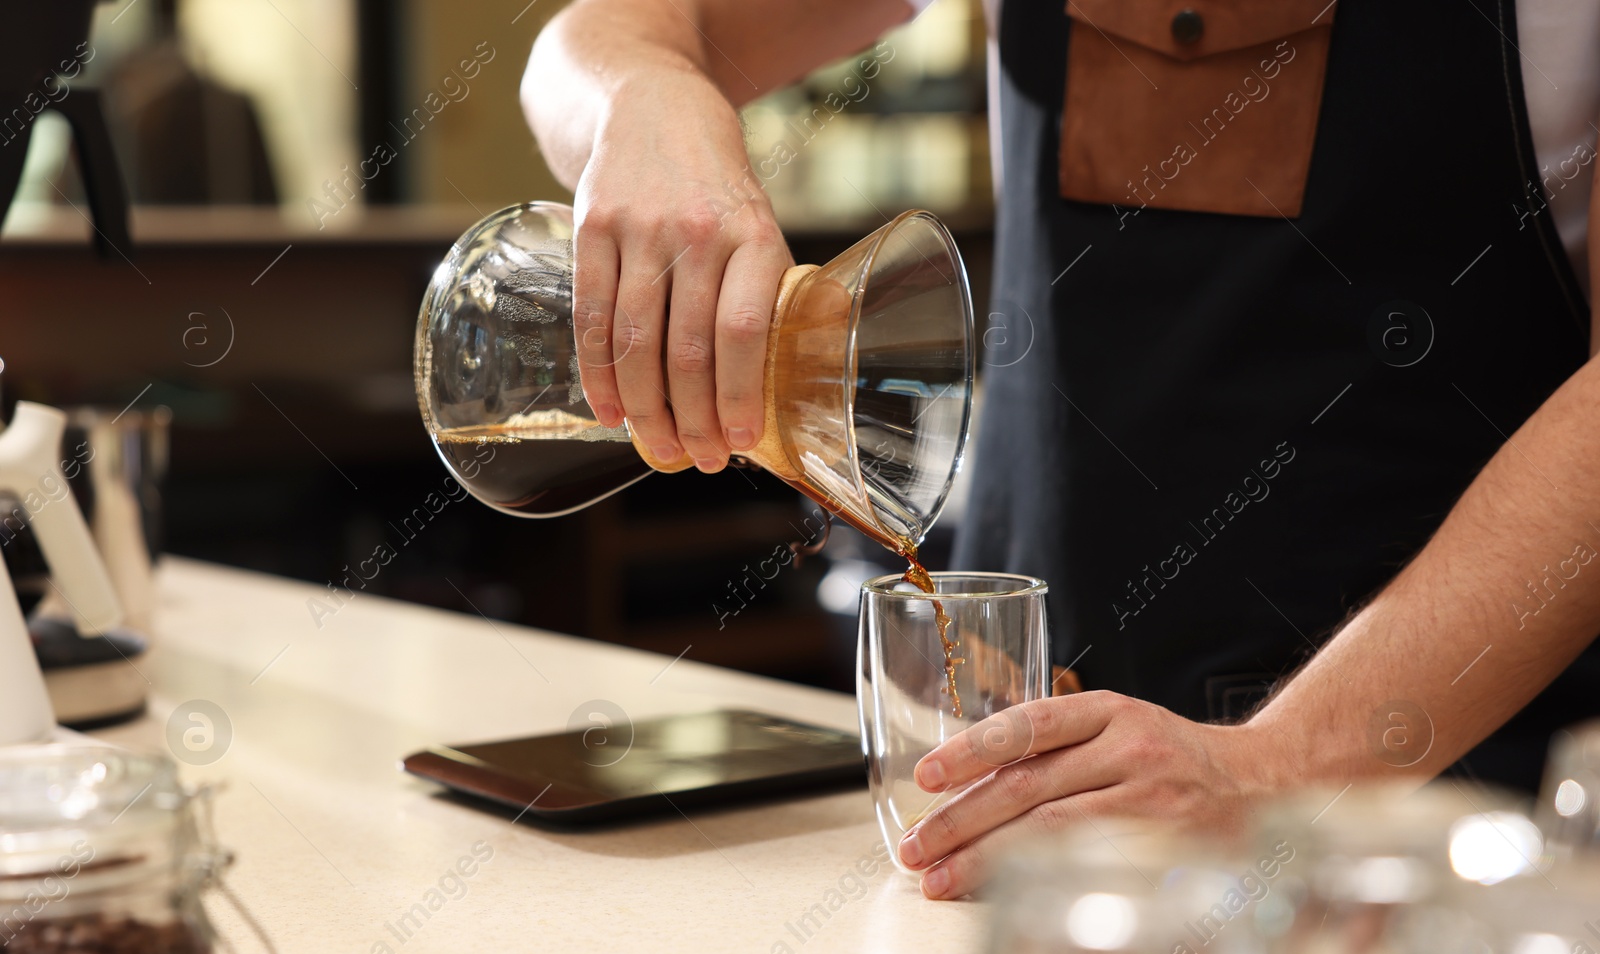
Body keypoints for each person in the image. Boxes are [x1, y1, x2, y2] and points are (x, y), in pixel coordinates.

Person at [523, 0, 1600, 899]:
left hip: (1434, 863)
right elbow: (598, 38)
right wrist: (639, 96)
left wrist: (1277, 767)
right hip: (1025, 843)